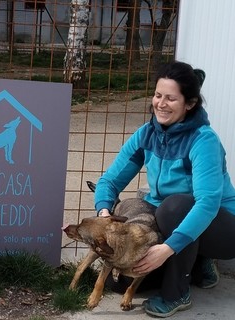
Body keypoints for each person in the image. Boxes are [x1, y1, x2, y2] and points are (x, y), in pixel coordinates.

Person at [94, 61, 235, 318]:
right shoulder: (147, 134)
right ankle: (196, 265)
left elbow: (207, 203)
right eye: (158, 95)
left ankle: (177, 292)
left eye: (171, 98)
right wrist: (104, 213)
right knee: (123, 284)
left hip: (223, 227)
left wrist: (167, 249)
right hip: (173, 217)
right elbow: (110, 181)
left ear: (189, 104)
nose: (161, 103)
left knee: (174, 207)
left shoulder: (204, 140)